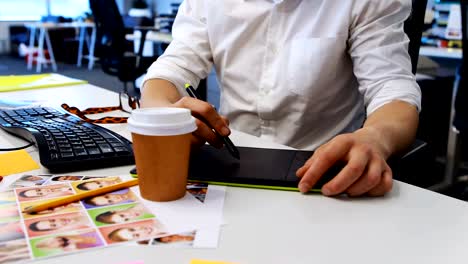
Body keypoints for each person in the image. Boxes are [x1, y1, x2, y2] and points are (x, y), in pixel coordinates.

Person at [141, 0, 421, 197]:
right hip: (232, 171)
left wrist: (375, 137)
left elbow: (392, 88)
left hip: (321, 177)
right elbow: (170, 71)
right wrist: (164, 114)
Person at [35, 232, 102, 251]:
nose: (68, 241)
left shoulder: (80, 230)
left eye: (63, 240)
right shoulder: (77, 248)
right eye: (64, 244)